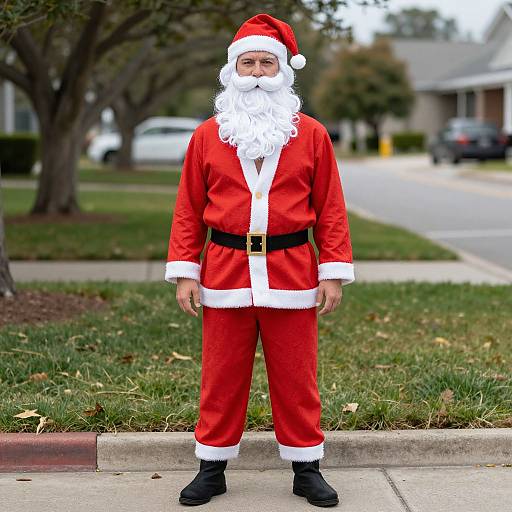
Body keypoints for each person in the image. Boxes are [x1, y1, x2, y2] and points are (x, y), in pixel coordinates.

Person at [165, 13, 355, 507]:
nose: (254, 72)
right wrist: (185, 270)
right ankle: (211, 467)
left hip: (292, 269)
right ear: (231, 71)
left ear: (283, 73)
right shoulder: (208, 135)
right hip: (224, 269)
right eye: (246, 62)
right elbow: (188, 206)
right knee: (221, 374)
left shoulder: (311, 135)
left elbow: (331, 207)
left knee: (296, 375)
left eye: (265, 63)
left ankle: (306, 468)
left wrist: (332, 271)